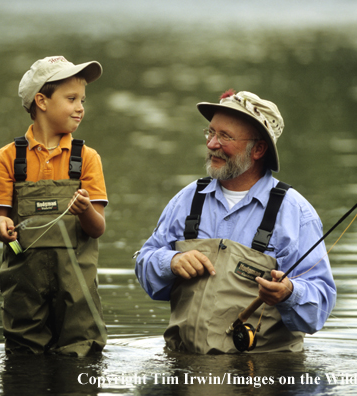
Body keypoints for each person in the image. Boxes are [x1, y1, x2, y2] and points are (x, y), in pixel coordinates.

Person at [135, 89, 336, 353]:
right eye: (210, 132)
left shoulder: (296, 212)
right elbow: (145, 264)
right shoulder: (186, 199)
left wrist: (289, 292)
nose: (211, 144)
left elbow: (318, 309)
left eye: (225, 137)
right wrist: (170, 262)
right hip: (183, 366)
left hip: (264, 376)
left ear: (259, 149)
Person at [0, 55, 108, 356]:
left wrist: (86, 210)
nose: (80, 107)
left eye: (82, 99)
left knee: (80, 355)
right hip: (24, 291)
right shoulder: (9, 157)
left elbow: (97, 228)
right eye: (71, 98)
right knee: (24, 356)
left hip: (77, 294)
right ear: (41, 101)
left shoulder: (87, 158)